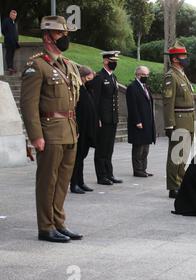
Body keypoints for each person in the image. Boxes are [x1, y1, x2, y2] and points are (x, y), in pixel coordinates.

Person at [20, 16, 83, 243]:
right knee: (48, 181)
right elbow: (28, 105)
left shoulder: (66, 65)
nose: (64, 38)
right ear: (47, 36)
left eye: (65, 34)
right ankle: (45, 227)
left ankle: (58, 222)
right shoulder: (36, 65)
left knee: (62, 181)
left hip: (68, 130)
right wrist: (35, 136)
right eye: (60, 34)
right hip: (49, 132)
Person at [163, 41, 195, 199]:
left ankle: (180, 182)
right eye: (183, 56)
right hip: (179, 120)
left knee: (183, 156)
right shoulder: (171, 76)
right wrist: (169, 125)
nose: (185, 58)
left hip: (188, 119)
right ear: (175, 59)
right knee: (175, 155)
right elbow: (168, 102)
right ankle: (173, 186)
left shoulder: (182, 74)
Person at [91, 51, 123, 185]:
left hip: (112, 118)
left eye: (115, 60)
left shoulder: (113, 77)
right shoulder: (99, 77)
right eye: (112, 60)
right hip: (103, 119)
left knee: (109, 148)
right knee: (102, 148)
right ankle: (101, 175)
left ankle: (109, 173)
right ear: (105, 61)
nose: (114, 63)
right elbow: (95, 100)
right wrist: (97, 118)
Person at [70, 66, 97, 194]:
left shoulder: (85, 88)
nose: (90, 80)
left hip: (87, 128)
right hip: (80, 128)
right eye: (88, 77)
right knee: (77, 157)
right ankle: (74, 183)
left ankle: (80, 181)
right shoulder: (77, 89)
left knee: (81, 157)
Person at [126, 66, 156, 177]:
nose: (146, 77)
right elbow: (132, 106)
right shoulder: (132, 87)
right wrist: (137, 121)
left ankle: (143, 168)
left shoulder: (145, 87)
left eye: (147, 75)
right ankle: (138, 170)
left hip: (147, 121)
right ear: (138, 74)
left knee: (145, 148)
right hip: (138, 122)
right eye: (144, 75)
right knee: (138, 147)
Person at [1, 10, 20, 75]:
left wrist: (17, 39)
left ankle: (11, 67)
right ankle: (9, 67)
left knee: (12, 54)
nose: (14, 16)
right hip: (8, 41)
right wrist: (8, 36)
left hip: (14, 42)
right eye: (13, 15)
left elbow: (16, 32)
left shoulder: (14, 22)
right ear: (10, 15)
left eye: (15, 16)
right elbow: (3, 30)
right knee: (9, 54)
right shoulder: (6, 21)